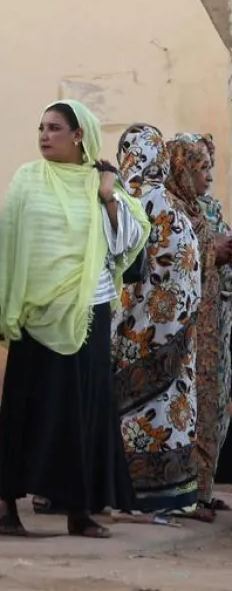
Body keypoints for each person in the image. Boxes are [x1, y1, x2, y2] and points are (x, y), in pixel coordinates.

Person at [0, 101, 148, 539]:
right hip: (35, 312)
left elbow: (125, 246)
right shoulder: (27, 180)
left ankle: (80, 511)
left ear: (80, 136)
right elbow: (9, 247)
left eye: (54, 128)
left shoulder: (100, 184)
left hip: (87, 311)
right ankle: (8, 508)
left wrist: (108, 195)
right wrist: (2, 304)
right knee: (26, 409)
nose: (44, 135)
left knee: (82, 411)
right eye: (40, 127)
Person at [111, 124, 202, 519]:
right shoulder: (170, 206)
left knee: (136, 415)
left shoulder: (124, 201)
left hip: (136, 334)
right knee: (168, 411)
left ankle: (131, 492)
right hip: (176, 335)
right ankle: (170, 494)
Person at [167, 133, 227, 517]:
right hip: (186, 323)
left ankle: (203, 489)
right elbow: (171, 261)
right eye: (200, 167)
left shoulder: (206, 207)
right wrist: (212, 250)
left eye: (210, 167)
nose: (208, 175)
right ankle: (185, 493)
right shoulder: (169, 209)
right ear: (181, 168)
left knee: (214, 402)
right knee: (187, 407)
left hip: (214, 320)